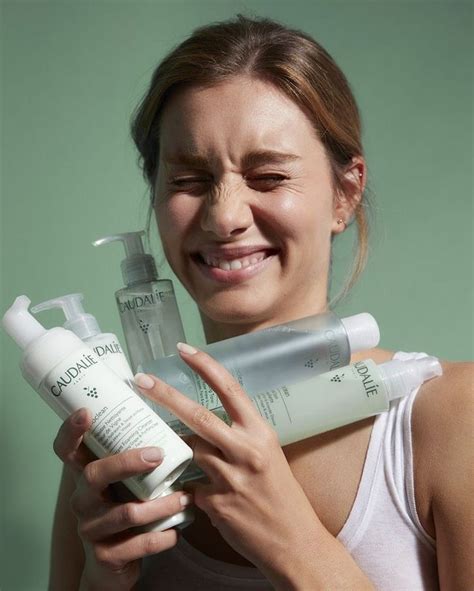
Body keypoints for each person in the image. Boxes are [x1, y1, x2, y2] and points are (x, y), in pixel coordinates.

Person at [49, 15, 473, 590]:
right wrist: (104, 581)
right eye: (190, 179)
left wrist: (293, 543)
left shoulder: (450, 419)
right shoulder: (120, 436)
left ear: (344, 195)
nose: (224, 216)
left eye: (269, 176)